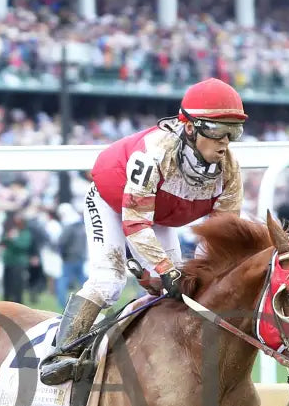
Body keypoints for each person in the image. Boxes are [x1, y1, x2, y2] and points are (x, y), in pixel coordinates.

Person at [39, 78, 246, 385]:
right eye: (218, 131)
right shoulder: (153, 153)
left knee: (183, 290)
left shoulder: (229, 170)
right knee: (109, 281)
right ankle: (60, 354)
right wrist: (164, 269)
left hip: (157, 216)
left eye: (234, 131)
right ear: (190, 127)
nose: (226, 142)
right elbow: (135, 221)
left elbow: (221, 236)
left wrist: (196, 276)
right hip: (113, 202)